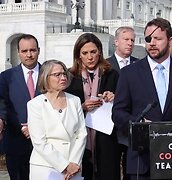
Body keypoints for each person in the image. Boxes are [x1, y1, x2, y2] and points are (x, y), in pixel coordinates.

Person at [112, 17, 172, 180]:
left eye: (157, 38)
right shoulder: (129, 73)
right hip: (142, 162)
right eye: (148, 39)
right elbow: (118, 113)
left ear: (170, 40)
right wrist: (139, 126)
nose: (152, 43)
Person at [65, 33, 120, 180]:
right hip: (79, 138)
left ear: (100, 52)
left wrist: (114, 97)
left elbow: (124, 103)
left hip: (107, 138)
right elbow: (64, 109)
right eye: (85, 53)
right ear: (78, 55)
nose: (90, 57)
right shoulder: (70, 77)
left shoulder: (112, 74)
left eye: (93, 52)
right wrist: (81, 107)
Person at [27, 60, 87, 180]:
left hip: (74, 165)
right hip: (45, 166)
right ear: (46, 77)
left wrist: (74, 163)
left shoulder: (74, 100)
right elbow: (39, 141)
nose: (63, 77)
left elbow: (81, 134)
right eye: (57, 75)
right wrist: (64, 165)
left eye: (64, 73)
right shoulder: (35, 104)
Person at [0, 34, 41, 180]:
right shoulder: (5, 77)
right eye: (24, 51)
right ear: (18, 52)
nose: (29, 55)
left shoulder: (49, 75)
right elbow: (3, 105)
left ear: (39, 50)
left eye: (32, 50)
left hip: (45, 146)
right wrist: (22, 127)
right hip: (16, 143)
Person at [107, 26, 139, 180]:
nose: (130, 43)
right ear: (116, 42)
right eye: (126, 39)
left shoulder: (140, 65)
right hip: (109, 127)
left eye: (132, 40)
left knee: (130, 169)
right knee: (111, 168)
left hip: (132, 124)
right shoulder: (105, 65)